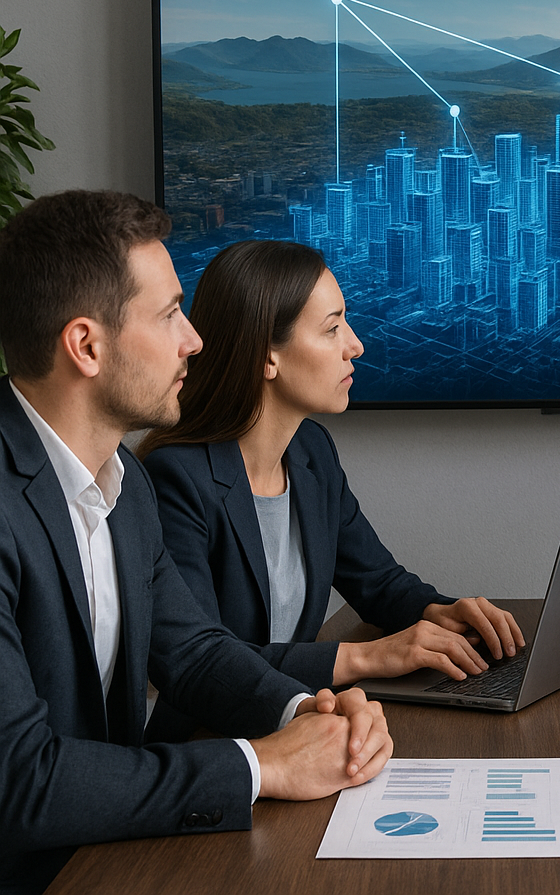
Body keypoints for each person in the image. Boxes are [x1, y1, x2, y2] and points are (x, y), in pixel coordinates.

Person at [0, 190, 394, 895]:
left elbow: (194, 651)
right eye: (169, 314)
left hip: (108, 853)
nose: (196, 340)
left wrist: (307, 712)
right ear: (86, 345)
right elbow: (20, 780)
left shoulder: (125, 483)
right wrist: (264, 765)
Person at [135, 239, 524, 739]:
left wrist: (441, 613)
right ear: (266, 358)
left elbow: (379, 582)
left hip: (305, 731)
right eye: (332, 328)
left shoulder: (311, 452)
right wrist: (368, 656)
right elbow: (206, 660)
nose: (355, 345)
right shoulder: (176, 479)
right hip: (214, 750)